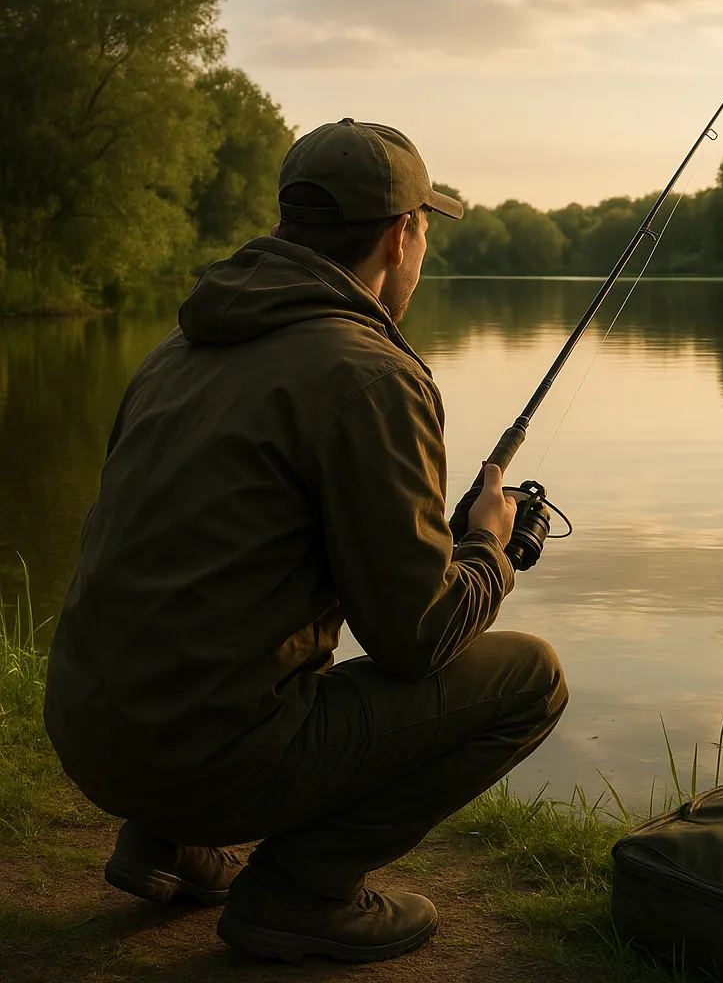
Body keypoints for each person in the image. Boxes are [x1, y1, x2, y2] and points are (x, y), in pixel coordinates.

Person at [43, 118, 568, 964]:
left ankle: (166, 840)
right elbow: (415, 638)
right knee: (531, 678)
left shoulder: (178, 348)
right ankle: (301, 892)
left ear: (289, 225)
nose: (422, 247)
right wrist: (489, 552)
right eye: (425, 227)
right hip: (195, 753)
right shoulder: (372, 376)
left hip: (87, 731)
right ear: (400, 237)